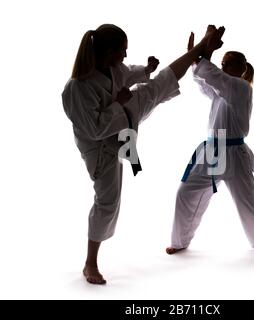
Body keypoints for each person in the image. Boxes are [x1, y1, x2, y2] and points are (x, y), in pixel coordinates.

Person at [62, 24, 225, 284]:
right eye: (122, 51)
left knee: (161, 83)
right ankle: (90, 263)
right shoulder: (76, 88)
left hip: (125, 114)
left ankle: (199, 50)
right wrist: (118, 102)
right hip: (101, 146)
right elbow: (94, 129)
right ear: (107, 52)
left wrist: (146, 71)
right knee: (108, 201)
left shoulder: (112, 68)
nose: (125, 56)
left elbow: (127, 73)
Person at [166, 27, 254, 256]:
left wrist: (202, 53)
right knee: (186, 192)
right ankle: (180, 240)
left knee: (248, 199)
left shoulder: (242, 88)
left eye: (228, 63)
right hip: (213, 151)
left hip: (235, 154)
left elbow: (214, 76)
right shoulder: (222, 90)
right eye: (223, 62)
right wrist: (196, 58)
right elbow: (205, 81)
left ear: (241, 69)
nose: (224, 66)